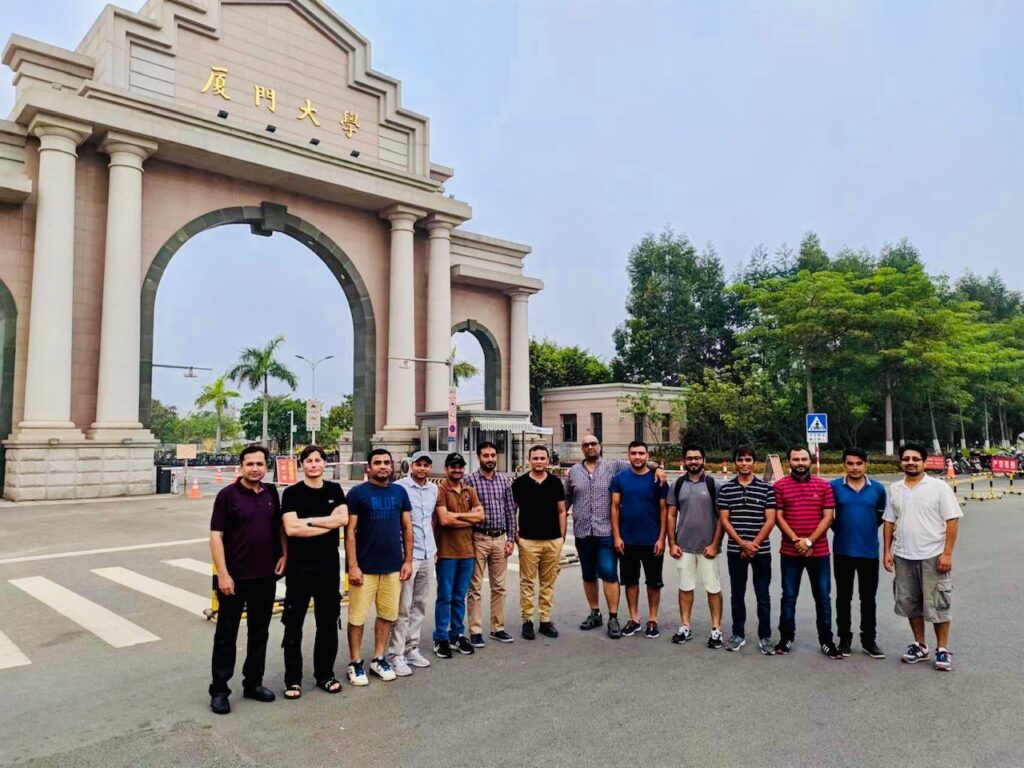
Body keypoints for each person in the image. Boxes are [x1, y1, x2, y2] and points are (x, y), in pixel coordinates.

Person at [208, 444, 287, 715]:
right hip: (235, 579)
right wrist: (223, 575)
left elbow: (279, 528)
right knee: (226, 636)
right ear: (240, 467)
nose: (255, 469)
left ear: (266, 467)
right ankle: (219, 689)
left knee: (259, 634)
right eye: (250, 464)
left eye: (260, 464)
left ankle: (253, 683)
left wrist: (284, 555)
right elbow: (216, 536)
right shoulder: (227, 496)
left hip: (265, 577)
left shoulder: (270, 493)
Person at [563, 435, 667, 639]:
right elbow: (566, 498)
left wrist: (659, 468)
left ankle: (613, 617)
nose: (590, 447)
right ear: (582, 448)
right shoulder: (573, 472)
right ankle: (595, 613)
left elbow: (641, 461)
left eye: (594, 444)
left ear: (600, 446)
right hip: (583, 531)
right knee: (588, 575)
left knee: (610, 573)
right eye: (586, 445)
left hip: (606, 532)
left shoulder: (613, 467)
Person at [883, 442, 963, 671]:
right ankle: (920, 645)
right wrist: (886, 552)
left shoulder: (938, 487)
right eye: (906, 459)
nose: (910, 462)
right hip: (903, 556)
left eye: (915, 459)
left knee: (938, 603)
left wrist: (947, 553)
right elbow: (889, 522)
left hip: (933, 555)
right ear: (901, 462)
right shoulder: (895, 489)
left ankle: (943, 649)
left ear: (924, 462)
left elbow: (953, 520)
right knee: (911, 603)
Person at [279, 444, 348, 699]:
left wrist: (308, 521)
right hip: (299, 569)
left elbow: (342, 519)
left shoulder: (335, 490)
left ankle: (325, 674)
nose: (313, 464)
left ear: (324, 464)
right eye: (308, 460)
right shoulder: (292, 493)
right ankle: (293, 680)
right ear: (302, 465)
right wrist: (326, 523)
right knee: (293, 625)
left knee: (328, 623)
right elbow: (292, 529)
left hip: (328, 569)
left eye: (318, 460)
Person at [343, 449, 413, 686]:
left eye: (386, 462)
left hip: (392, 567)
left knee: (387, 616)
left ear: (392, 466)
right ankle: (354, 662)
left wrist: (408, 561)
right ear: (369, 468)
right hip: (364, 568)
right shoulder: (357, 494)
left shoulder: (399, 492)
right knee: (357, 617)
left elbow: (407, 528)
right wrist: (352, 566)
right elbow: (349, 532)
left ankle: (378, 658)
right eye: (377, 463)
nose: (383, 466)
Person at [773, 446, 841, 659]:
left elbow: (828, 517)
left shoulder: (823, 486)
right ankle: (785, 638)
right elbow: (778, 516)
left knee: (822, 597)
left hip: (819, 552)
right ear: (789, 462)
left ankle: (827, 641)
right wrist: (796, 540)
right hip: (789, 551)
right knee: (789, 597)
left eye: (804, 459)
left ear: (810, 461)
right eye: (796, 459)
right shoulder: (780, 486)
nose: (800, 463)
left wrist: (809, 541)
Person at [718, 444, 777, 655]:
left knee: (763, 594)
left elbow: (770, 521)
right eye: (740, 459)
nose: (744, 463)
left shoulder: (767, 489)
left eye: (748, 459)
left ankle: (765, 636)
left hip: (761, 551)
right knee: (737, 594)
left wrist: (753, 545)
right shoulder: (726, 489)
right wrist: (742, 544)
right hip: (736, 550)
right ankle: (738, 634)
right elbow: (725, 520)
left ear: (754, 462)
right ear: (735, 463)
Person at [830, 447, 887, 659]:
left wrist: (867, 528)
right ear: (844, 465)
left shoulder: (878, 489)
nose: (854, 468)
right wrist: (841, 528)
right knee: (843, 598)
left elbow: (881, 516)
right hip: (843, 550)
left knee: (868, 598)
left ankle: (869, 640)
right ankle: (844, 638)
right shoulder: (834, 486)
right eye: (850, 464)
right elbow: (828, 516)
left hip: (869, 552)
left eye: (859, 463)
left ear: (866, 464)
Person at [666, 443, 724, 649]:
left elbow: (722, 518)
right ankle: (685, 626)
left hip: (708, 548)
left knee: (713, 588)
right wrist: (671, 543)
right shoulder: (677, 485)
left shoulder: (713, 485)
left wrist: (715, 545)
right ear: (684, 461)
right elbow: (671, 515)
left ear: (703, 460)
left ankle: (716, 629)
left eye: (697, 458)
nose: (693, 462)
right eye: (689, 458)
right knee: (685, 587)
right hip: (684, 547)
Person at [386, 451, 438, 675]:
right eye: (418, 464)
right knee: (403, 607)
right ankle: (394, 654)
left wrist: (434, 550)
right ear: (411, 465)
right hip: (408, 555)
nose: (422, 468)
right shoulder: (400, 488)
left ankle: (411, 648)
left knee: (419, 604)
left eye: (426, 465)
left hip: (428, 553)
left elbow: (431, 520)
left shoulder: (433, 489)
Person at [610, 441, 668, 639]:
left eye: (641, 453)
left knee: (653, 582)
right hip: (627, 540)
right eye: (633, 453)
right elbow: (615, 507)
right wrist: (617, 536)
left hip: (652, 540)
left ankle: (653, 619)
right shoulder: (619, 479)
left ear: (647, 455)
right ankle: (634, 618)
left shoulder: (657, 478)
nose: (637, 457)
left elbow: (664, 509)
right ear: (628, 455)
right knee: (630, 581)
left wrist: (662, 538)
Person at [512, 445, 567, 640]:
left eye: (542, 458)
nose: (539, 461)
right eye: (535, 458)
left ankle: (545, 620)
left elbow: (562, 511)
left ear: (547, 461)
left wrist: (561, 538)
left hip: (552, 540)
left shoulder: (555, 483)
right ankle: (527, 620)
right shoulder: (519, 483)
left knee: (548, 582)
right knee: (527, 582)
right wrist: (515, 536)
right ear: (529, 460)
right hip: (528, 540)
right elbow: (513, 511)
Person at [465, 441, 517, 647]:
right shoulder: (469, 481)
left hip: (500, 539)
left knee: (499, 587)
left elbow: (510, 511)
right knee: (475, 587)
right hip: (478, 538)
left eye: (493, 455)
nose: (490, 459)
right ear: (479, 457)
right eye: (486, 455)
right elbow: (466, 513)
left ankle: (498, 628)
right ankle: (475, 630)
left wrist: (511, 539)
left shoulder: (504, 481)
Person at [432, 452, 485, 658]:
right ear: (446, 469)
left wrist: (459, 516)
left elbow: (481, 516)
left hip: (467, 552)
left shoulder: (469, 490)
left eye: (460, 466)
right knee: (444, 597)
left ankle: (456, 634)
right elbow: (444, 520)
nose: (457, 470)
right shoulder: (440, 490)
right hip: (446, 552)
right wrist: (469, 518)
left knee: (459, 597)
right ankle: (440, 637)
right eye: (453, 466)